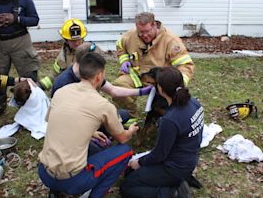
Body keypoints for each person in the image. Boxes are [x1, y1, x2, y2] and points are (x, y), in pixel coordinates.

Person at [38, 52, 139, 197]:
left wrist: (91, 132)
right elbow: (122, 138)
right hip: (72, 180)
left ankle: (56, 192)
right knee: (125, 151)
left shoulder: (61, 92)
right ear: (99, 76)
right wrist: (131, 130)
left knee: (94, 146)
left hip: (44, 172)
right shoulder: (103, 105)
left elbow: (56, 120)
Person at [120, 67, 203, 198]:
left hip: (174, 167)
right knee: (132, 173)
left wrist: (139, 162)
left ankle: (173, 193)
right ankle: (178, 181)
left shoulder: (170, 119)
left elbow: (159, 154)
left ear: (160, 90)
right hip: (189, 160)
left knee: (128, 186)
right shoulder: (194, 102)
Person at [113, 12, 195, 120]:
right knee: (119, 86)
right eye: (140, 32)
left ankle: (165, 120)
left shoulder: (170, 40)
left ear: (155, 25)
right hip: (136, 76)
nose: (144, 35)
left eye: (147, 31)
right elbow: (120, 46)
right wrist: (124, 60)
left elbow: (185, 65)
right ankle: (129, 119)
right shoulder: (130, 36)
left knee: (166, 106)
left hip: (160, 82)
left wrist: (175, 84)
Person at [51, 42, 153, 99]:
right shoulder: (63, 85)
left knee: (123, 115)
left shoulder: (88, 73)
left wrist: (140, 92)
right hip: (73, 120)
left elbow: (113, 90)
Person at [39, 18, 88, 90]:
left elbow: (96, 79)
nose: (77, 43)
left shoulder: (89, 53)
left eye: (78, 39)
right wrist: (39, 86)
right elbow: (53, 76)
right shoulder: (62, 56)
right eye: (73, 41)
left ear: (83, 38)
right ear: (66, 40)